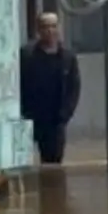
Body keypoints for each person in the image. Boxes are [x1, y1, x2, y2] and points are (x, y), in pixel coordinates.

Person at [20, 12, 81, 165]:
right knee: (23, 161)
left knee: (53, 161)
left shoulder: (67, 57)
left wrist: (66, 113)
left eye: (53, 26)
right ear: (38, 30)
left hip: (56, 119)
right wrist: (23, 111)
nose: (50, 31)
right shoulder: (27, 55)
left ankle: (52, 188)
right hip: (31, 117)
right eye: (45, 27)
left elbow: (74, 87)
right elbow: (18, 82)